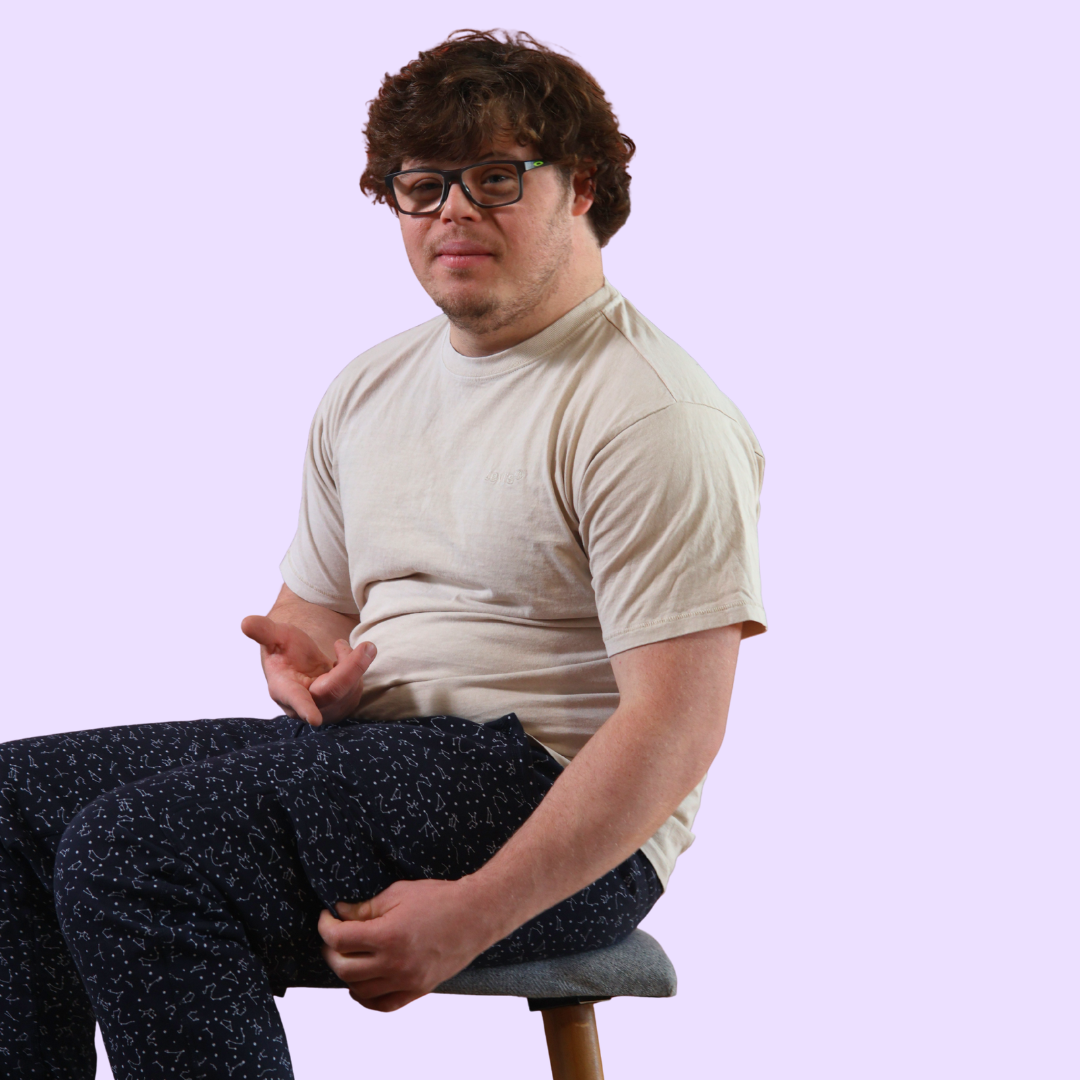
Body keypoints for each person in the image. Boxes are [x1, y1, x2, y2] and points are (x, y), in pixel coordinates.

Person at [0, 29, 766, 1080]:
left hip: (549, 792)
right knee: (12, 809)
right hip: (376, 760)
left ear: (581, 186)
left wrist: (472, 914)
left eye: (497, 176)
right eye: (423, 184)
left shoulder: (649, 413)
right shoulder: (372, 387)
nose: (454, 209)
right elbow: (310, 614)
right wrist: (301, 665)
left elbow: (676, 732)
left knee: (138, 853)